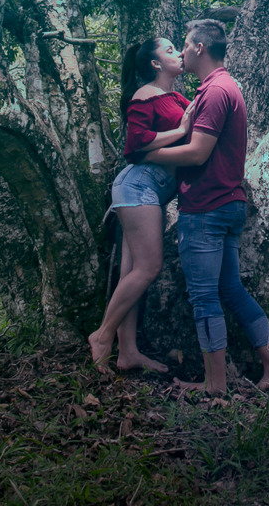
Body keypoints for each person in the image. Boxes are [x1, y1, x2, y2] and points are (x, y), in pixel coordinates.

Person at [140, 19, 269, 393]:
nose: (181, 52)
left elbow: (197, 153)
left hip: (206, 207)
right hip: (227, 204)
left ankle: (215, 383)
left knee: (204, 296)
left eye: (185, 45)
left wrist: (147, 153)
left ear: (200, 48)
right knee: (231, 291)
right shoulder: (225, 87)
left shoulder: (215, 91)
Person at [87, 37, 194, 374]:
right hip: (139, 186)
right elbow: (135, 144)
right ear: (155, 64)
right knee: (148, 268)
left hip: (149, 190)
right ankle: (102, 336)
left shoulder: (176, 97)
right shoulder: (145, 94)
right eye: (170, 50)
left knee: (131, 274)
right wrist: (181, 129)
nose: (179, 54)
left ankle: (128, 352)